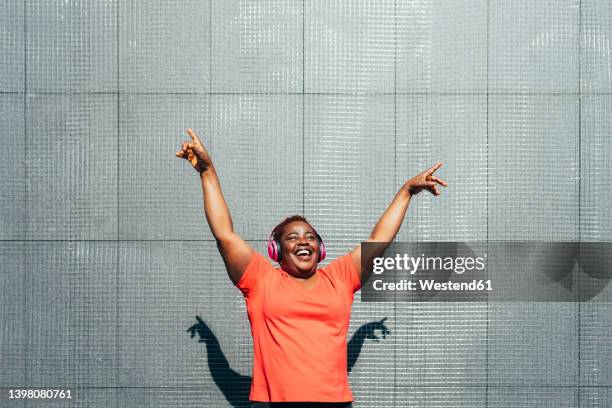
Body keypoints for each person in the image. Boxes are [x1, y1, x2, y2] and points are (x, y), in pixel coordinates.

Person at [176, 129, 447, 408]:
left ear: (320, 249)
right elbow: (224, 233)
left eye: (310, 237)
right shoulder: (260, 279)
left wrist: (407, 192)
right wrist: (207, 171)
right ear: (277, 251)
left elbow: (379, 239)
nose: (303, 241)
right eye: (292, 237)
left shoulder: (339, 278)